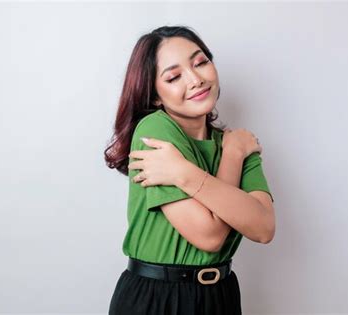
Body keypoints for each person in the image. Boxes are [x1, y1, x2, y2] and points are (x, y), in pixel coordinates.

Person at [104, 25, 276, 315]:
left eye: (201, 62)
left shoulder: (236, 144)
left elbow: (263, 227)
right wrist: (232, 157)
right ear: (156, 95)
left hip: (220, 296)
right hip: (157, 297)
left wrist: (191, 170)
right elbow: (209, 237)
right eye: (173, 77)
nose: (196, 79)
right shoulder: (155, 129)